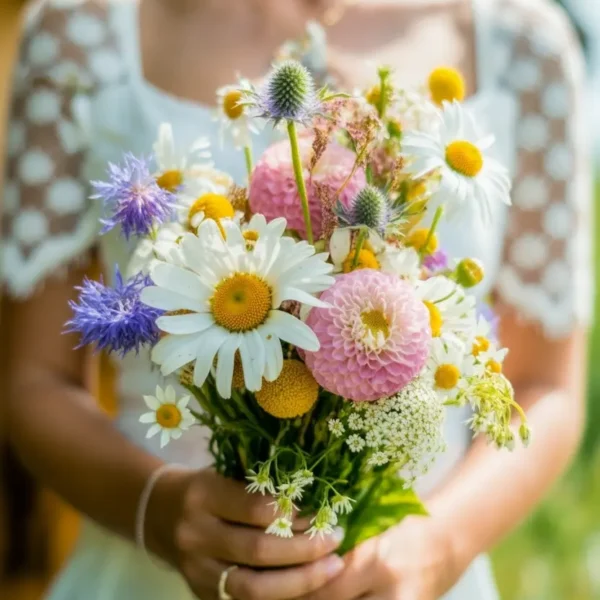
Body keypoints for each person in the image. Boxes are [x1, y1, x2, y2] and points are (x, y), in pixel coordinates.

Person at [0, 0, 592, 598]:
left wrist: (438, 547)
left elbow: (544, 386)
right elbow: (32, 377)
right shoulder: (80, 29)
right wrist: (160, 509)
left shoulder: (523, 43)